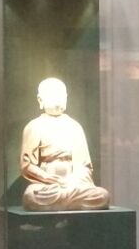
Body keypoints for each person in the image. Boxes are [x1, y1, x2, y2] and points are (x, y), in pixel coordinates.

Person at [20, 77, 111, 210]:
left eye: (61, 96)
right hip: (47, 185)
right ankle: (70, 202)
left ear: (66, 99)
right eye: (53, 95)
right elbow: (27, 166)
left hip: (73, 183)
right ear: (40, 100)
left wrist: (72, 181)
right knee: (31, 196)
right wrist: (48, 177)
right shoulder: (34, 127)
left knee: (102, 195)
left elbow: (84, 166)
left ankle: (63, 202)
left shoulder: (74, 127)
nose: (57, 99)